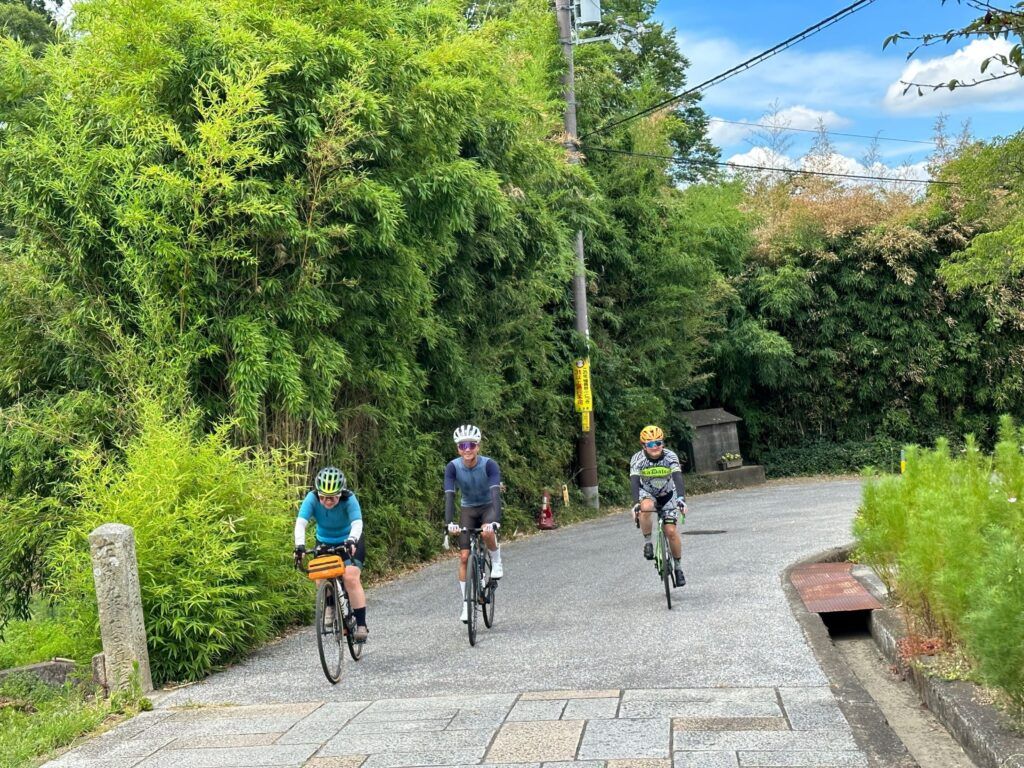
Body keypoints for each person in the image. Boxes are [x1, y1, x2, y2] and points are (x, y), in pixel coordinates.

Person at [293, 466, 369, 641]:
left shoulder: (349, 499)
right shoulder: (311, 498)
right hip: (325, 542)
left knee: (350, 577)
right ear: (317, 493)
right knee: (321, 576)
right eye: (323, 497)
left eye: (333, 497)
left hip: (349, 540)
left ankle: (361, 624)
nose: (328, 501)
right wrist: (299, 546)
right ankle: (330, 606)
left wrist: (352, 540)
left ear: (340, 493)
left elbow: (357, 523)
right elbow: (301, 523)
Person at [444, 424, 503, 623]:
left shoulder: (489, 465)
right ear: (458, 449)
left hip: (487, 507)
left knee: (486, 533)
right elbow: (449, 495)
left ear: (478, 446)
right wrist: (449, 523)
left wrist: (495, 521)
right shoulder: (453, 467)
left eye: (471, 445)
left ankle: (496, 560)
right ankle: (466, 604)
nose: (467, 449)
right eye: (463, 446)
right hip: (468, 509)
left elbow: (495, 494)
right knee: (463, 557)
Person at [630, 425, 687, 587]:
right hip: (647, 493)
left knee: (671, 531)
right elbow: (634, 482)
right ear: (643, 446)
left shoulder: (670, 456)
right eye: (650, 444)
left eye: (658, 443)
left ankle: (678, 568)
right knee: (646, 506)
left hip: (668, 494)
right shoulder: (637, 459)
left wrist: (681, 499)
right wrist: (635, 503)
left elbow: (678, 477)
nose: (655, 447)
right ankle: (648, 542)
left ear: (663, 443)